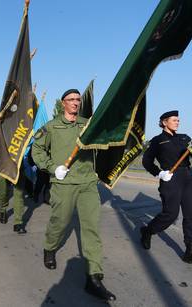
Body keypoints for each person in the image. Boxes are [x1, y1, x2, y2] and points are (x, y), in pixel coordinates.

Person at [32, 89, 116, 302]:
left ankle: (94, 277)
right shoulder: (51, 126)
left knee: (91, 228)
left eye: (78, 100)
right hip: (63, 183)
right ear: (63, 103)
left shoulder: (87, 125)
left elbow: (103, 144)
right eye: (71, 100)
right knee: (60, 222)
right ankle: (50, 247)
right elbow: (37, 151)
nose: (76, 103)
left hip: (87, 182)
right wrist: (52, 167)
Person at [140, 110, 192, 270]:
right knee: (170, 214)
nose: (177, 122)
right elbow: (147, 161)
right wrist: (159, 173)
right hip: (170, 178)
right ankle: (148, 230)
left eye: (178, 120)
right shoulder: (157, 141)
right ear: (164, 122)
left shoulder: (184, 138)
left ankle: (191, 251)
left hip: (187, 177)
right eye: (174, 120)